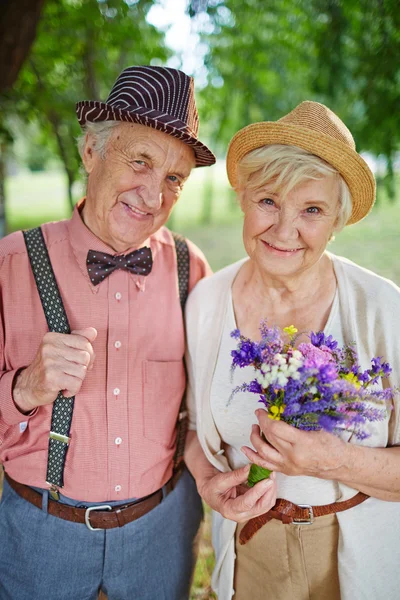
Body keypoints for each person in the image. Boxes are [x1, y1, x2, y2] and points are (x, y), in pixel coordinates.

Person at [0, 65, 215, 600]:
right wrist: (26, 387)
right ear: (91, 152)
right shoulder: (9, 265)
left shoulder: (194, 270)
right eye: (139, 161)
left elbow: (203, 413)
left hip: (163, 532)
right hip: (40, 536)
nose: (152, 193)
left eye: (174, 179)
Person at [184, 101, 400, 600]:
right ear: (242, 199)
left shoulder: (383, 309)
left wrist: (335, 459)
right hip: (250, 551)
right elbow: (194, 429)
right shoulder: (206, 304)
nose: (284, 230)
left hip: (360, 559)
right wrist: (205, 481)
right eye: (268, 201)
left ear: (337, 221)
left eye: (311, 210)